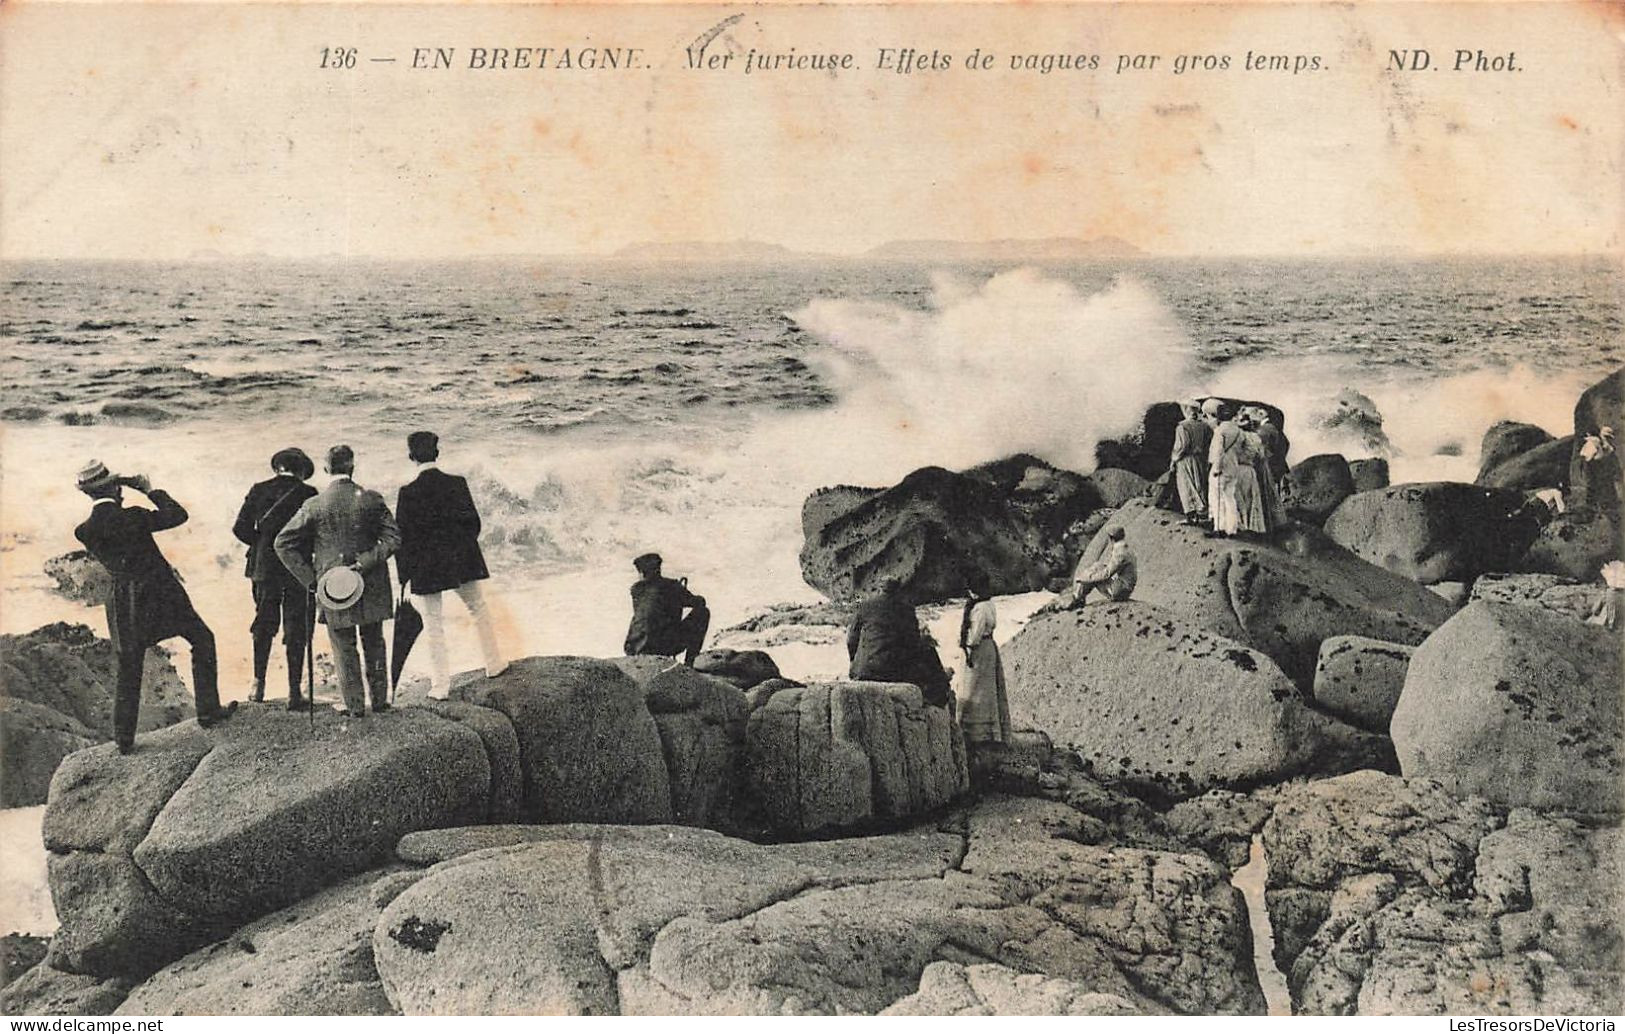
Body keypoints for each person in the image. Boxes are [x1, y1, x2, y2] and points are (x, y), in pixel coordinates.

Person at [73, 460, 237, 752]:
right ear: (115, 486)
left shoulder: (84, 531)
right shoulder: (134, 516)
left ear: (88, 495)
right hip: (161, 593)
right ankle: (209, 712)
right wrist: (149, 489)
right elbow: (177, 515)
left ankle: (124, 739)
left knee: (129, 665)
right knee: (202, 640)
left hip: (124, 599)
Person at [274, 445, 400, 717]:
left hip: (333, 585)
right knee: (374, 640)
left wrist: (311, 581)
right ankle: (380, 701)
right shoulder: (371, 498)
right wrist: (365, 562)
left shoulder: (314, 505)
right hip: (371, 581)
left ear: (325, 468)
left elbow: (282, 543)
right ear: (352, 467)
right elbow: (393, 539)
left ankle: (354, 706)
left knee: (343, 645)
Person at [395, 431, 506, 696]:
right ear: (437, 453)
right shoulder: (458, 483)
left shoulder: (407, 492)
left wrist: (404, 577)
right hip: (460, 561)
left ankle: (440, 686)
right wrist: (458, 552)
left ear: (411, 457)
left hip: (426, 567)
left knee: (433, 625)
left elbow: (403, 538)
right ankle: (494, 664)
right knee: (478, 608)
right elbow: (474, 525)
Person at [232, 447, 318, 709]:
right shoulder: (308, 493)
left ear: (277, 467)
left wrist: (261, 545)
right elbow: (315, 533)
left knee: (264, 624)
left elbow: (239, 528)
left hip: (264, 568)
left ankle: (257, 685)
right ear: (302, 470)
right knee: (296, 627)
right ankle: (294, 692)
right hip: (297, 569)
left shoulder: (259, 489)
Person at [847, 577, 951, 706]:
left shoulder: (865, 606)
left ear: (879, 589)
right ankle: (940, 692)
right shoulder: (906, 609)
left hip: (865, 670)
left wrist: (854, 661)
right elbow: (913, 642)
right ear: (898, 591)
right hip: (892, 670)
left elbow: (851, 639)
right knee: (928, 650)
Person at [953, 572, 1010, 747]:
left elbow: (974, 636)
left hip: (978, 651)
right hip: (988, 648)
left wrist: (964, 643)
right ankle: (990, 731)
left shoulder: (980, 608)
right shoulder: (989, 604)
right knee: (987, 689)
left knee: (973, 689)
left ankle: (974, 733)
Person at [624, 553, 710, 666]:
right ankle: (690, 663)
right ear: (658, 569)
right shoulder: (672, 586)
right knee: (703, 612)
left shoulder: (636, 590)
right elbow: (698, 603)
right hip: (663, 646)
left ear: (642, 573)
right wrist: (681, 593)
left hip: (634, 646)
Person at [1039, 526, 1138, 612]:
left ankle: (1077, 598)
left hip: (1120, 591)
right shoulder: (1125, 548)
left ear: (1112, 538)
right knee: (1097, 566)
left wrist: (1087, 578)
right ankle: (1077, 597)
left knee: (1094, 573)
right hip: (1124, 587)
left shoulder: (1120, 553)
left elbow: (1107, 574)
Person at [1205, 399, 1243, 537]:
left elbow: (1218, 451)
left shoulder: (1220, 431)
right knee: (1230, 499)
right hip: (1233, 467)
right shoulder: (1238, 431)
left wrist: (1216, 469)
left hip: (1220, 468)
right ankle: (1232, 529)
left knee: (1217, 499)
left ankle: (1219, 529)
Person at [1169, 399, 1212, 522]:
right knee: (1200, 484)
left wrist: (1174, 460)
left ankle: (1191, 516)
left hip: (1186, 460)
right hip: (1200, 459)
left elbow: (1181, 446)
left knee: (1187, 485)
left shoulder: (1182, 426)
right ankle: (1201, 514)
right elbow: (1208, 443)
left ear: (1186, 410)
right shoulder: (1205, 426)